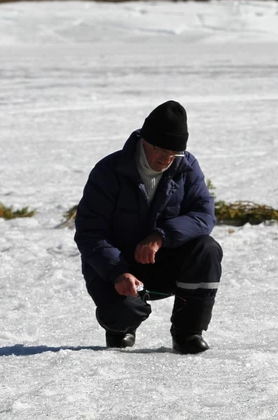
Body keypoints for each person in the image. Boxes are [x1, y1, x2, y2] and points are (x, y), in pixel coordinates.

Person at [74, 100, 222, 354]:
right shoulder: (109, 171)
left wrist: (161, 236)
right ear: (145, 140)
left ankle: (187, 332)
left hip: (162, 261)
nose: (167, 159)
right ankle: (121, 328)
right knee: (124, 313)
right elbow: (90, 233)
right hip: (117, 266)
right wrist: (117, 272)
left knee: (207, 249)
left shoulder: (185, 165)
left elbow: (203, 215)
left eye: (174, 153)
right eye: (162, 150)